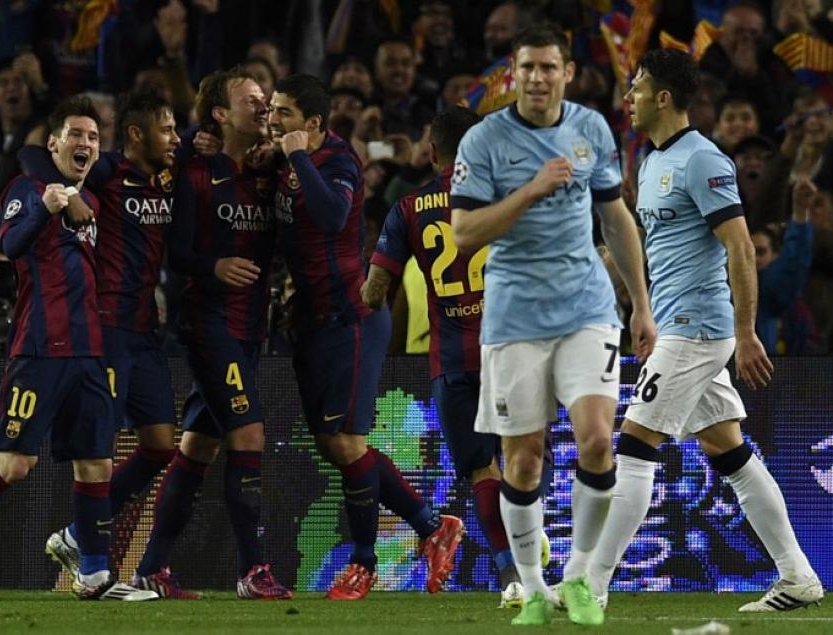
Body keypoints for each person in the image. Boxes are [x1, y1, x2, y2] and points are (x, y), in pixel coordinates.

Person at [585, 48, 823, 614]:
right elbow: (657, 248)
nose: (629, 98)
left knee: (635, 447)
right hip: (674, 323)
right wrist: (642, 310)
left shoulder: (703, 159)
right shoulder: (649, 159)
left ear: (663, 98)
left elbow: (739, 246)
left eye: (637, 88)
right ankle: (798, 577)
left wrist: (745, 332)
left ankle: (589, 584)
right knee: (731, 453)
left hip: (699, 327)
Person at [449, 24, 655, 626]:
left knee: (596, 438)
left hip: (587, 308)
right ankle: (534, 589)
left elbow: (614, 217)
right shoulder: (485, 141)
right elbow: (464, 234)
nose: (538, 78)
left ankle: (580, 576)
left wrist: (640, 304)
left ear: (567, 73)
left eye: (549, 68)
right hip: (514, 316)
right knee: (523, 462)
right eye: (528, 68)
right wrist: (532, 190)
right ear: (514, 74)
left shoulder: (591, 129)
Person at [0, 96, 156, 602]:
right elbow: (9, 247)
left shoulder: (92, 202)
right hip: (39, 348)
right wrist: (47, 206)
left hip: (89, 351)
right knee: (15, 461)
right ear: (53, 143)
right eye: (76, 134)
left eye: (94, 136)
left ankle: (95, 574)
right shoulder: (25, 190)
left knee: (96, 463)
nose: (86, 143)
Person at [269, 73, 464, 600]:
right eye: (270, 110)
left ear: (311, 123)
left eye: (283, 112)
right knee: (337, 446)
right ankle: (432, 526)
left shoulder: (338, 162)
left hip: (353, 316)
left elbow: (332, 217)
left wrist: (297, 158)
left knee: (348, 443)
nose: (273, 120)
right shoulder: (284, 162)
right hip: (310, 319)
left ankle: (364, 564)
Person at [362, 106, 554, 609]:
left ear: (431, 153)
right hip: (513, 349)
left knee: (481, 472)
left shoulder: (407, 209)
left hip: (451, 360)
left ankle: (511, 573)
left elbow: (375, 290)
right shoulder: (509, 198)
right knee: (525, 459)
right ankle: (530, 539)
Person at [21, 93, 188, 598]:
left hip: (146, 330)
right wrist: (62, 190)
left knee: (161, 445)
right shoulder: (106, 171)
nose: (175, 139)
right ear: (136, 134)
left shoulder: (169, 177)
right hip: (107, 328)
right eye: (167, 128)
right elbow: (32, 156)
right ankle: (91, 559)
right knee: (98, 448)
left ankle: (77, 534)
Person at [145, 67, 291, 600]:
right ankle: (253, 570)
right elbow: (175, 252)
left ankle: (152, 567)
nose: (262, 105)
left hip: (253, 327)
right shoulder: (196, 170)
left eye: (266, 98)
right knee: (248, 434)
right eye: (250, 99)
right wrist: (215, 267)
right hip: (208, 323)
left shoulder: (270, 170)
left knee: (198, 448)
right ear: (220, 114)